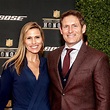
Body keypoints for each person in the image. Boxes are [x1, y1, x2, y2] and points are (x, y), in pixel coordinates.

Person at [47, 10, 110, 110]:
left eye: (74, 26)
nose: (70, 30)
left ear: (83, 28)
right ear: (61, 30)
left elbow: (104, 99)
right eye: (66, 26)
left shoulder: (98, 58)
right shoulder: (52, 57)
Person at [0, 22, 50, 110]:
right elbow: (1, 98)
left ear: (42, 39)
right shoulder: (12, 67)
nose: (34, 42)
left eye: (37, 37)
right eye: (29, 38)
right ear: (23, 41)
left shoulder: (49, 64)